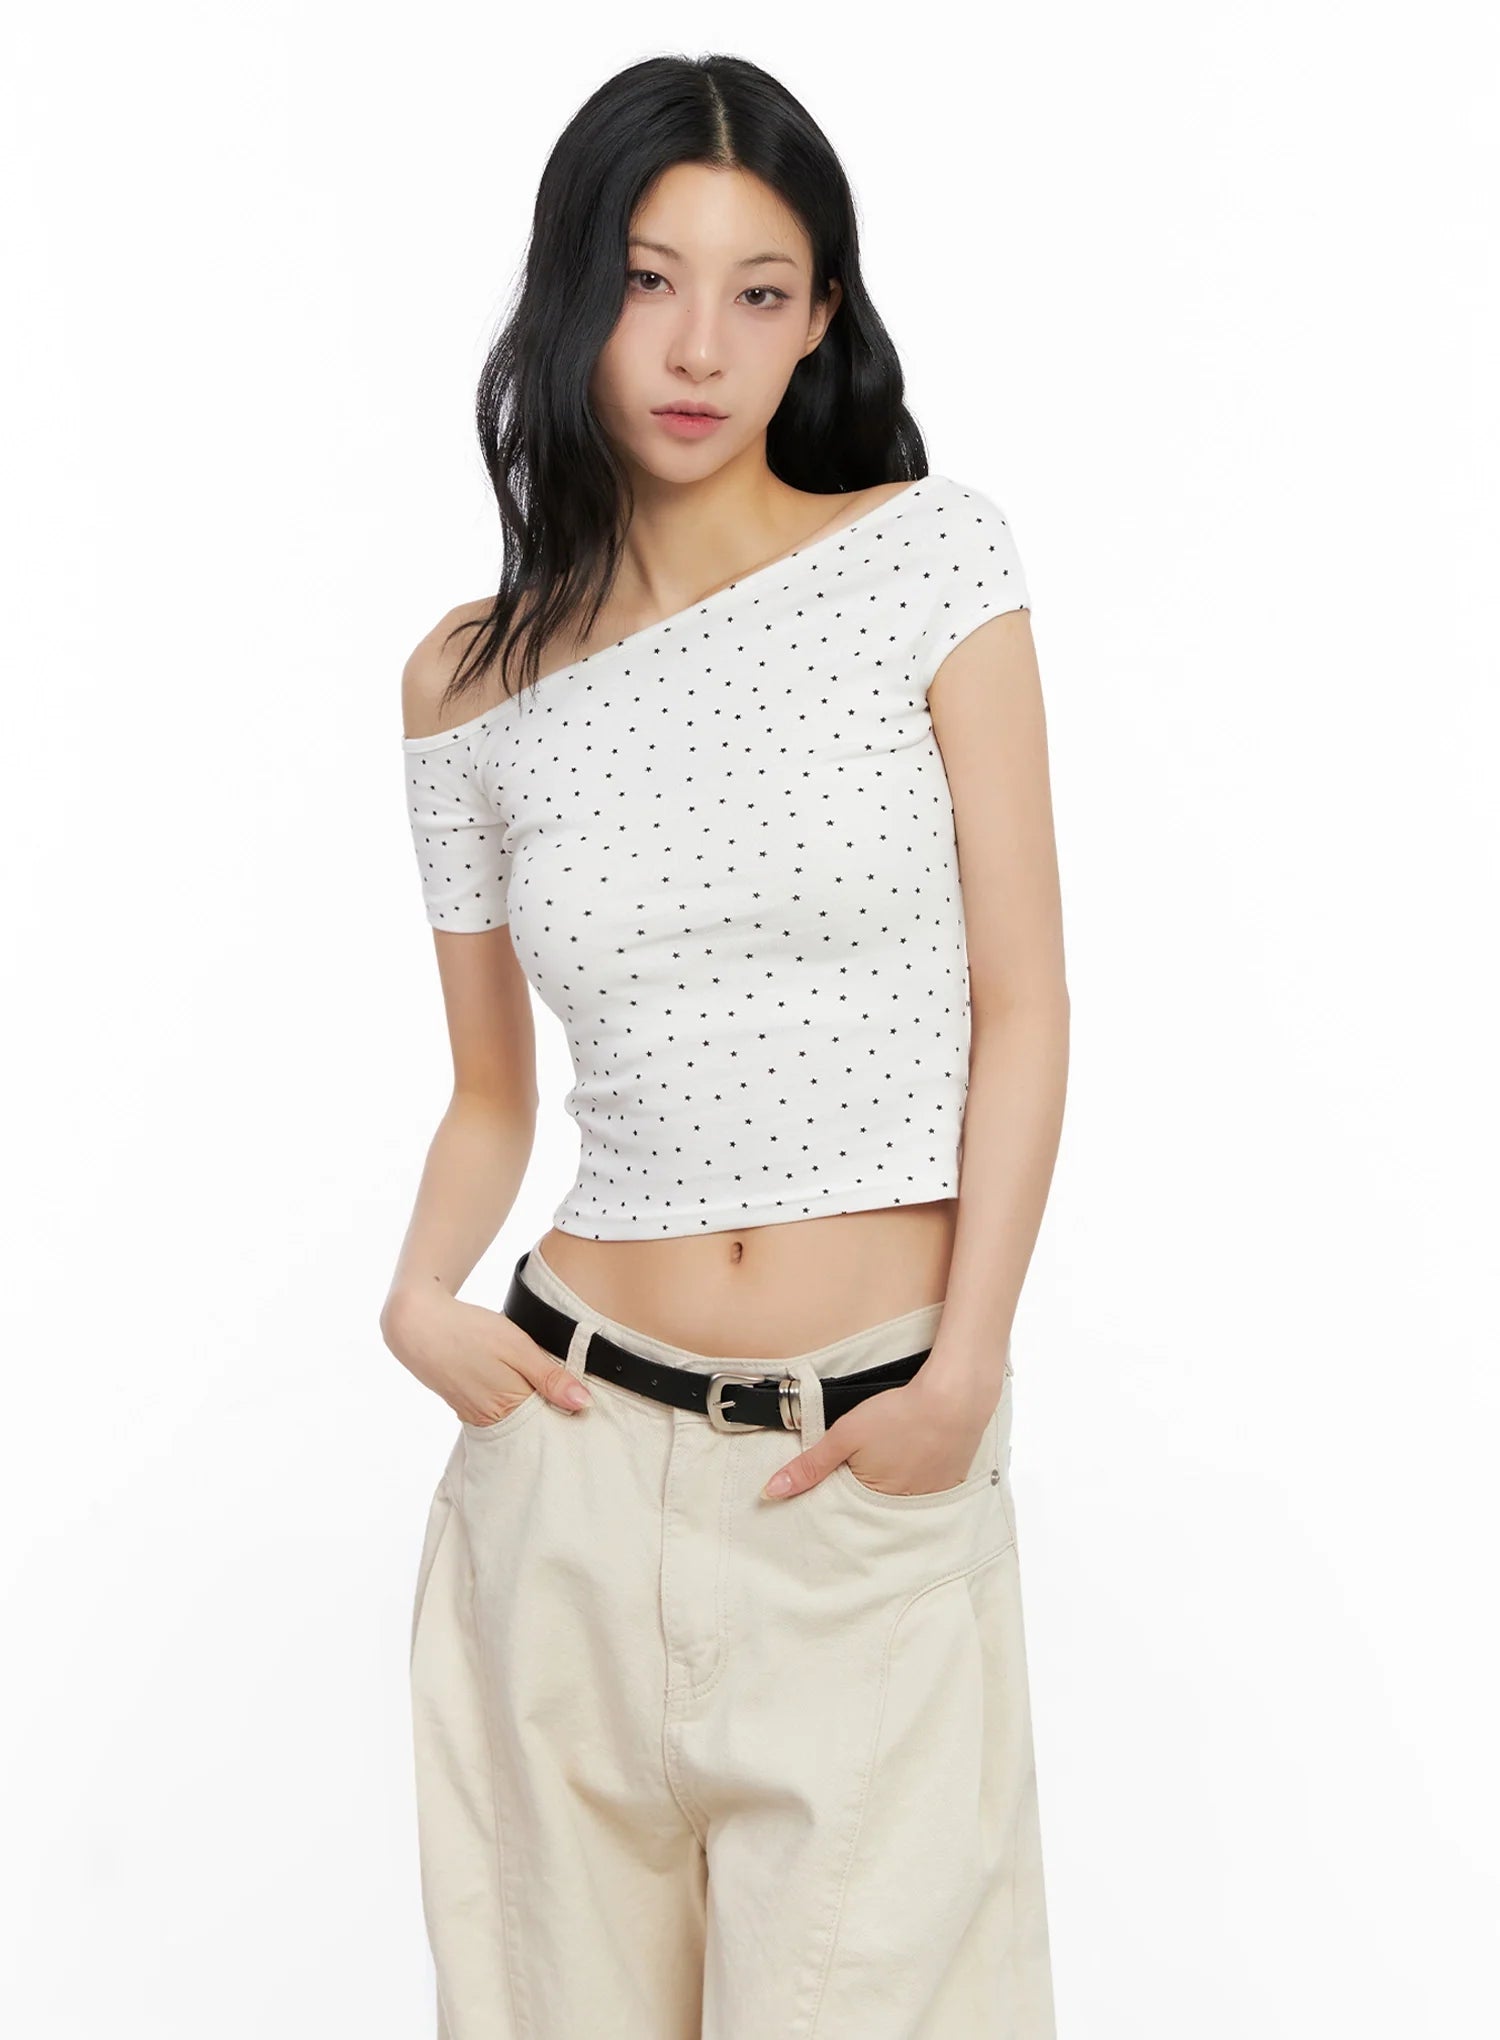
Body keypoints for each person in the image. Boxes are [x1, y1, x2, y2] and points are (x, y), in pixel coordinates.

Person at [382, 51, 1066, 2040]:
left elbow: (1026, 998)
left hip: (859, 1462)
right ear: (572, 292)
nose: (700, 348)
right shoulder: (467, 684)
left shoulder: (928, 562)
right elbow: (489, 1089)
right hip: (568, 1475)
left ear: (821, 315)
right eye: (649, 280)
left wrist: (964, 1371)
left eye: (760, 292)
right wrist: (419, 1297)